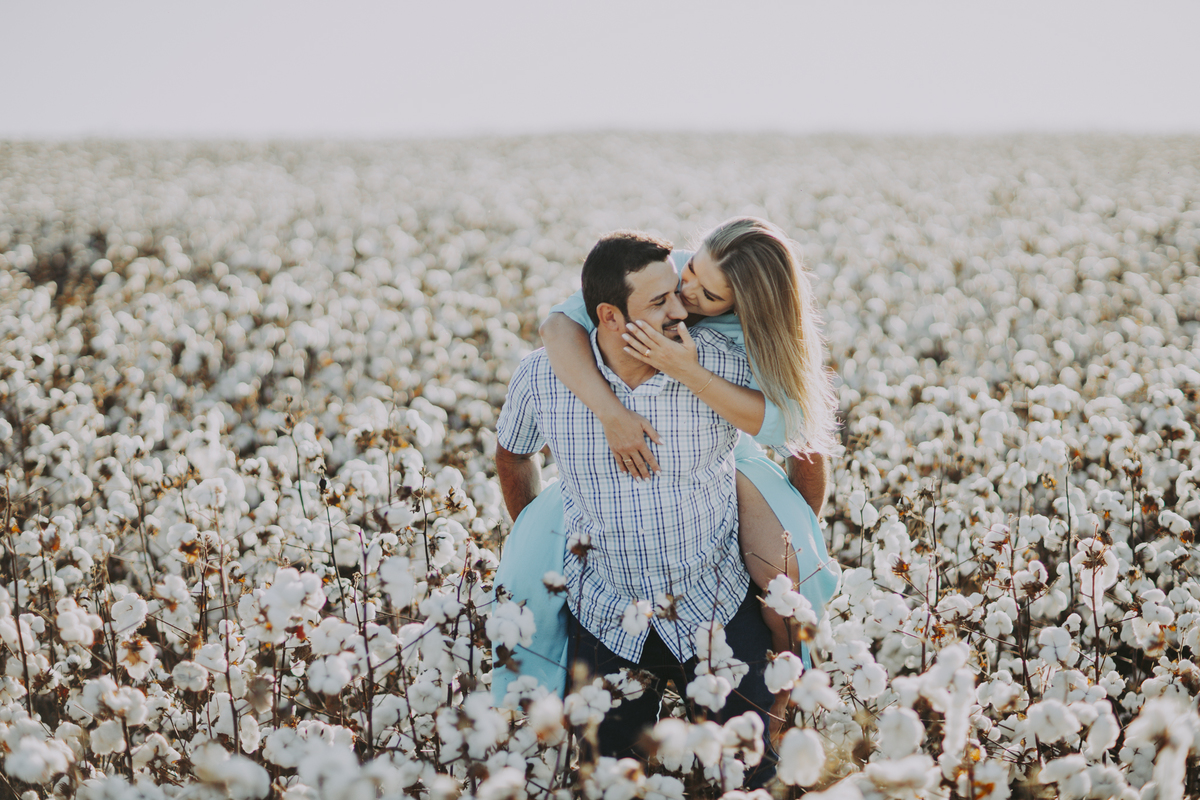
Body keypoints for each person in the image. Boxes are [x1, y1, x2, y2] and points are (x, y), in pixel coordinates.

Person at [492, 218, 840, 715]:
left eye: (709, 295)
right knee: (529, 579)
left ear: (741, 307)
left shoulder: (746, 344)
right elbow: (556, 328)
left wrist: (797, 524)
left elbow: (799, 435)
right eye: (690, 272)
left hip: (726, 444)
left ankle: (784, 707)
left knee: (790, 579)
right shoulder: (668, 274)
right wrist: (612, 414)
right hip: (610, 451)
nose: (687, 295)